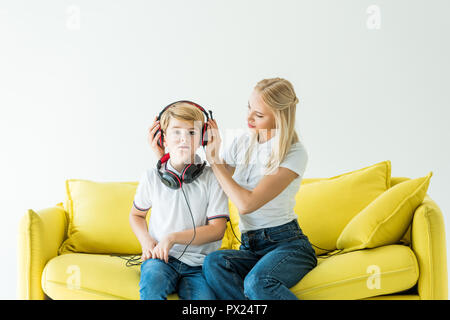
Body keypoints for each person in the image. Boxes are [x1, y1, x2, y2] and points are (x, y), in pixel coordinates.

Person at [202, 77, 317, 300]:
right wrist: (172, 155)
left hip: (286, 244)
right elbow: (213, 181)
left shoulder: (294, 153)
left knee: (258, 283)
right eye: (249, 108)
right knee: (214, 263)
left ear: (280, 117)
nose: (248, 118)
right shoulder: (243, 143)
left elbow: (247, 204)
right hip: (250, 246)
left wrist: (215, 160)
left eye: (259, 115)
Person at [130, 101, 229, 300]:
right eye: (176, 132)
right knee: (152, 287)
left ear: (203, 139)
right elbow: (136, 215)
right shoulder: (151, 177)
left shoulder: (213, 178)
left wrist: (172, 238)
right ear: (163, 137)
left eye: (192, 133)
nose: (184, 138)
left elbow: (217, 229)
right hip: (161, 260)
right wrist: (147, 241)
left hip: (198, 265)